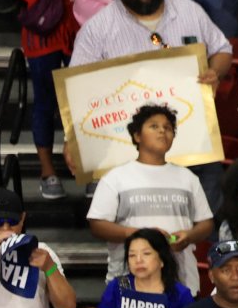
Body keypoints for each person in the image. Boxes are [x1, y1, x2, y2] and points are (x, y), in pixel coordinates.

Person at [86, 104, 213, 295]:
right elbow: (97, 225)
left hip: (181, 283)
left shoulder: (188, 178)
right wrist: (140, 235)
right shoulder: (115, 177)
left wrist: (190, 236)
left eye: (168, 128)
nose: (162, 130)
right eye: (154, 126)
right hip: (127, 283)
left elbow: (206, 223)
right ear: (137, 136)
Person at [68, 0, 232, 96]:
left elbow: (222, 49)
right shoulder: (96, 29)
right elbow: (75, 86)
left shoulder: (189, 11)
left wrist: (215, 72)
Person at [10, 0, 79, 200]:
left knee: (85, 96)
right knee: (45, 100)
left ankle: (90, 167)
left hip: (79, 20)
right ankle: (47, 171)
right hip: (42, 26)